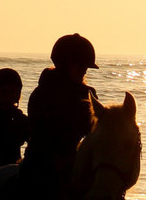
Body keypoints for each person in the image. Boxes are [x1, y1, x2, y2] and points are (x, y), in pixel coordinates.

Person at [19, 34, 100, 190]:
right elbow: (41, 133)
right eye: (79, 66)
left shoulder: (88, 95)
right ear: (64, 65)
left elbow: (94, 132)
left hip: (76, 161)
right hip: (42, 162)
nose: (84, 71)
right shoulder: (42, 94)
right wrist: (58, 159)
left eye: (85, 67)